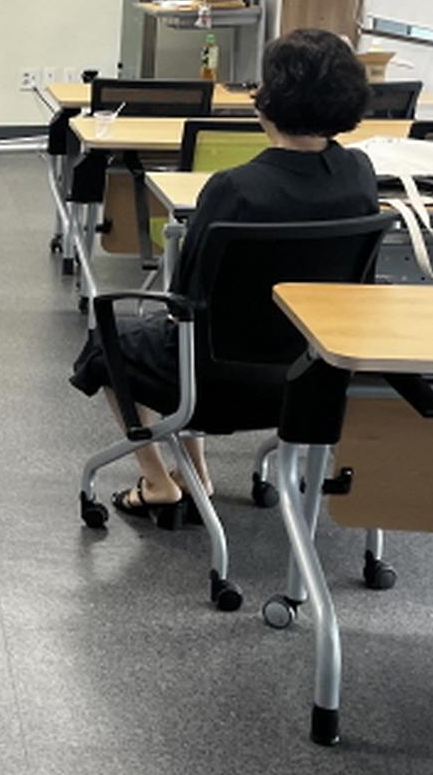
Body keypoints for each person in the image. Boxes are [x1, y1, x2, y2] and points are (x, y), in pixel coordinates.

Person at [69, 28, 380, 526]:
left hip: (216, 380)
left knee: (112, 342)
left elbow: (184, 298)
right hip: (316, 376)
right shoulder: (360, 173)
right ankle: (196, 474)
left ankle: (158, 482)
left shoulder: (236, 189)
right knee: (191, 333)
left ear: (268, 102)